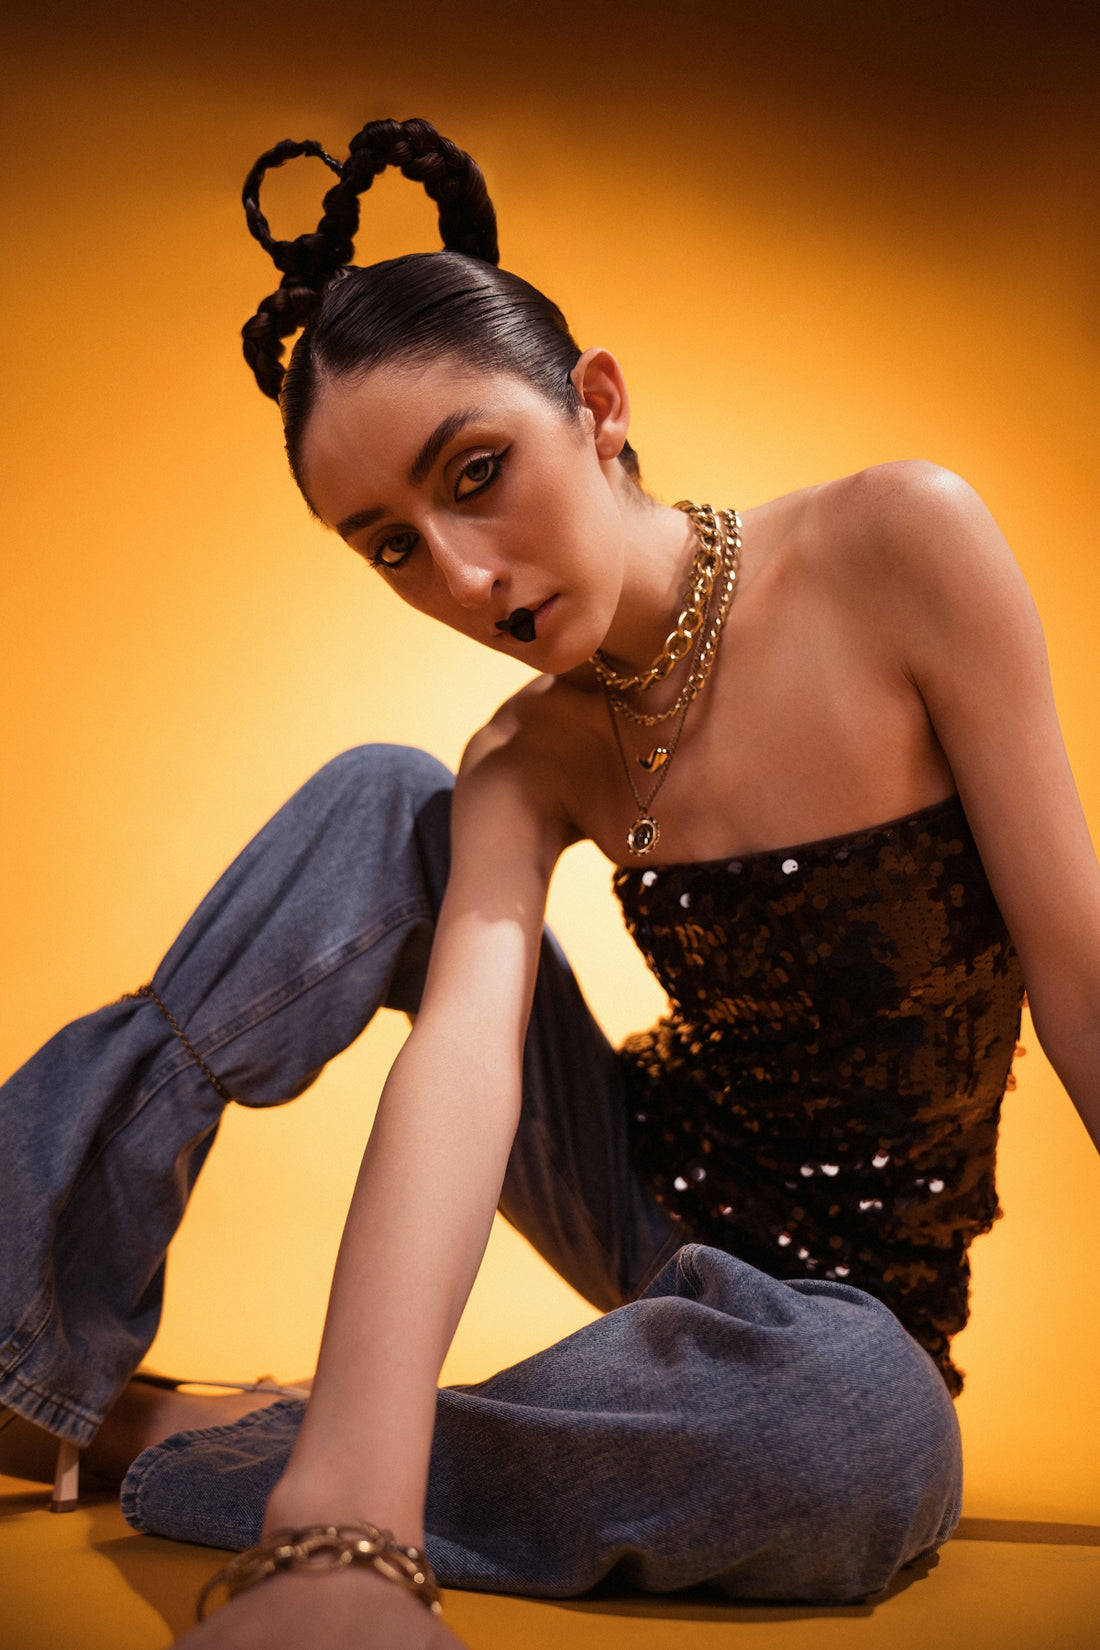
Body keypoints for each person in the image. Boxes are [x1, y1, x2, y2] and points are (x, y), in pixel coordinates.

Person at [2, 115, 1098, 1648]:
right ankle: (33, 1348)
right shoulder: (527, 758)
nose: (462, 576)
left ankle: (269, 1445)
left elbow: (1083, 987)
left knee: (863, 1441)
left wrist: (332, 1483)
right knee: (390, 798)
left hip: (844, 1326)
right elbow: (463, 1073)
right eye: (392, 546)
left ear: (597, 403)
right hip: (639, 1191)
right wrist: (338, 1553)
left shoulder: (900, 547)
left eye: (477, 473)